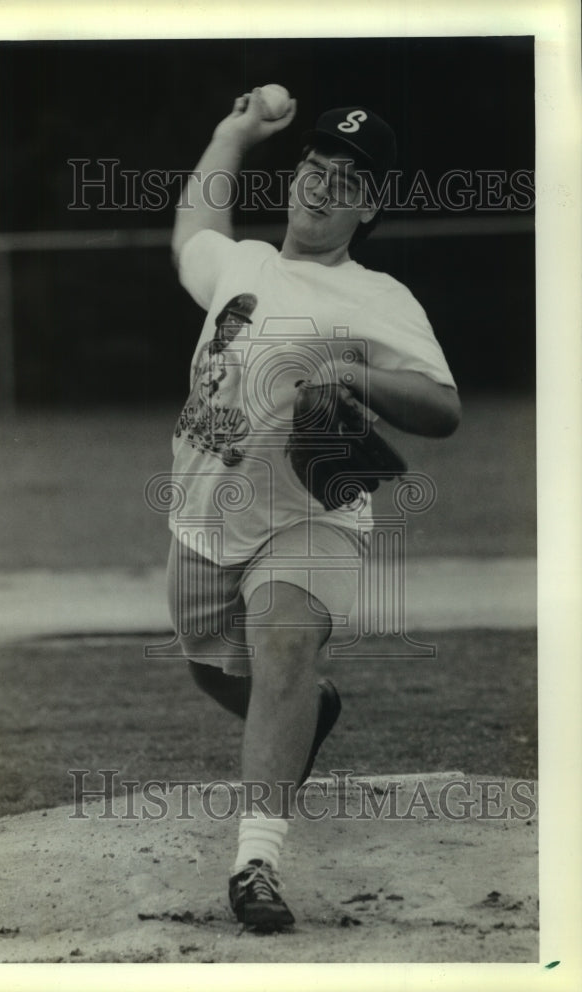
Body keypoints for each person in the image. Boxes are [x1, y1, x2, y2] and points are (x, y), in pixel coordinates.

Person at [167, 88, 460, 931]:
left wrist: (356, 377)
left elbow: (443, 407)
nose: (324, 187)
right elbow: (192, 233)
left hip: (310, 513)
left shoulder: (378, 297)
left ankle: (256, 862)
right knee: (211, 664)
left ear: (369, 207)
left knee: (285, 645)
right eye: (316, 168)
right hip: (203, 517)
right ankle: (306, 710)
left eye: (348, 181)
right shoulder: (243, 264)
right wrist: (233, 131)